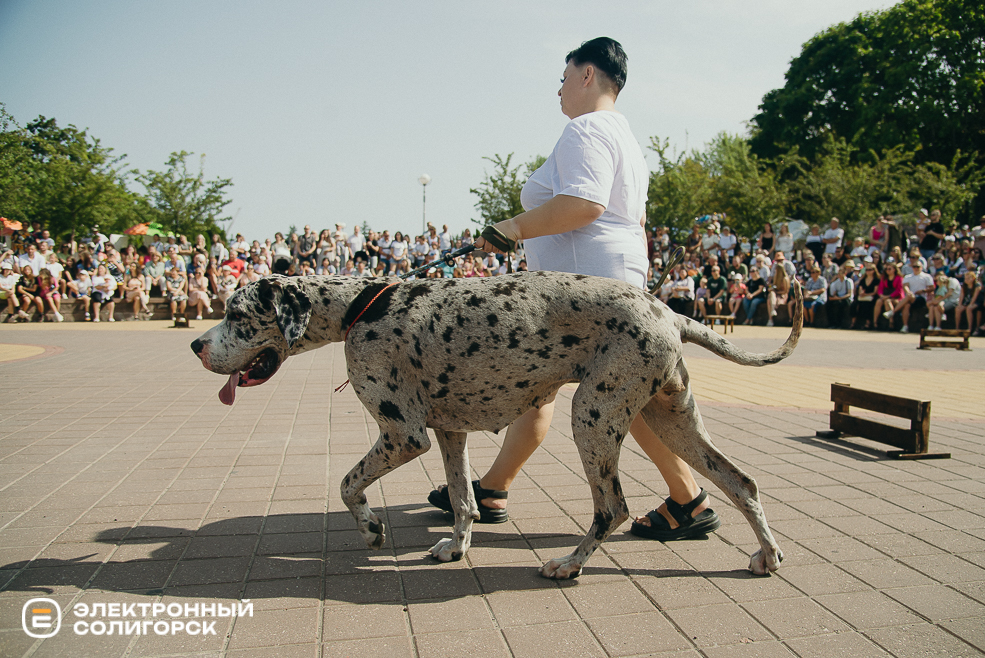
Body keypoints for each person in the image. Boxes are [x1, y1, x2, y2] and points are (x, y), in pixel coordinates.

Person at [428, 37, 720, 541]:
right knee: (539, 391)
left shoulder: (585, 129)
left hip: (585, 295)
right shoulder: (624, 136)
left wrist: (512, 228)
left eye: (563, 78)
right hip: (603, 284)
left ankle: (689, 498)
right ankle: (493, 489)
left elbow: (585, 204)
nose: (558, 90)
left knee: (629, 398)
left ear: (587, 75)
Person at [895, 259, 934, 333]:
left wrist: (923, 291)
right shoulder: (908, 276)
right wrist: (908, 292)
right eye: (914, 266)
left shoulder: (926, 276)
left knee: (909, 297)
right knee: (906, 305)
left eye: (918, 266)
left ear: (921, 267)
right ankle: (905, 326)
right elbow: (905, 286)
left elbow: (932, 288)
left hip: (922, 298)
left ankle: (893, 311)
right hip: (910, 298)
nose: (916, 268)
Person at [873, 262, 904, 329]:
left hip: (896, 298)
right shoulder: (884, 278)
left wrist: (889, 296)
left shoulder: (899, 278)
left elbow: (899, 291)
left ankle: (891, 322)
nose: (887, 270)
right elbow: (880, 288)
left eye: (889, 269)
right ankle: (875, 322)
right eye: (886, 269)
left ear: (894, 269)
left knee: (887, 302)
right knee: (878, 301)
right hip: (885, 296)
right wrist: (881, 295)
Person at [852, 259, 880, 329]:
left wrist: (866, 294)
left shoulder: (876, 280)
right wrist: (861, 293)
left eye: (869, 270)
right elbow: (860, 289)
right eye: (866, 270)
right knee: (854, 304)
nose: (867, 271)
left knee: (867, 305)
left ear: (874, 270)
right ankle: (853, 323)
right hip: (863, 296)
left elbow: (875, 292)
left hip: (872, 297)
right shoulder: (863, 280)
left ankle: (868, 323)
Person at [826, 263, 854, 329]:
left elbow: (849, 294)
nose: (839, 275)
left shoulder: (849, 281)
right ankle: (832, 323)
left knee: (842, 305)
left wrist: (840, 298)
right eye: (838, 273)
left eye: (841, 273)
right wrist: (836, 297)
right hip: (838, 298)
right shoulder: (836, 282)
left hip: (846, 299)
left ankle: (840, 324)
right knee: (829, 304)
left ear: (845, 273)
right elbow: (833, 293)